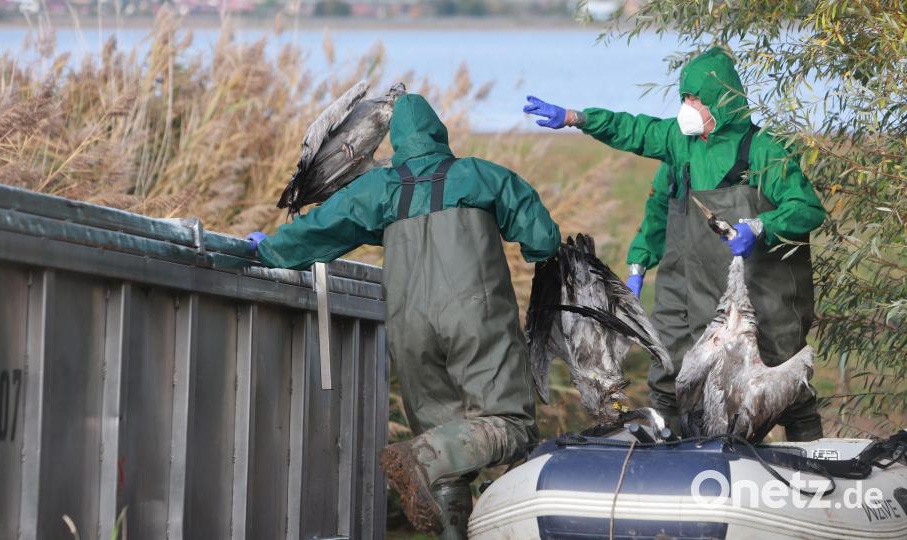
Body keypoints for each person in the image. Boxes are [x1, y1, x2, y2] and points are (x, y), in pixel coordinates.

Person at [247, 93, 560, 537]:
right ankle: (422, 454)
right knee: (508, 423)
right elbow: (543, 238)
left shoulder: (379, 188)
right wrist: (533, 249)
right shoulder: (479, 175)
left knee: (448, 453)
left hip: (409, 328)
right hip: (475, 319)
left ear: (395, 141)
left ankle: (444, 501)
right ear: (439, 133)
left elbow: (321, 230)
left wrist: (269, 248)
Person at [523, 47, 826, 441]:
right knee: (675, 375)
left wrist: (761, 226)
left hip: (762, 293)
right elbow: (635, 133)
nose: (687, 106)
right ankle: (679, 457)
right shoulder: (680, 147)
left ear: (722, 99)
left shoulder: (764, 151)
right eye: (684, 98)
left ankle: (816, 456)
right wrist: (574, 118)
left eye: (696, 99)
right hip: (691, 287)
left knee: (783, 378)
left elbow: (807, 209)